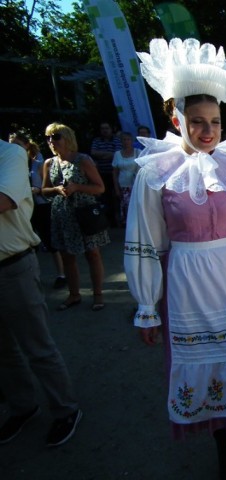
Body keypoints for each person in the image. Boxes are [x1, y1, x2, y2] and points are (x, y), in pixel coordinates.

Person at [125, 38, 226, 480]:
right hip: (187, 287)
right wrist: (147, 307)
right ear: (177, 118)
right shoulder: (155, 172)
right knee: (204, 367)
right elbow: (145, 242)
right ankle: (221, 441)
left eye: (215, 121)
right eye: (197, 122)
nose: (208, 131)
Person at [0, 140, 82, 448]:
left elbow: (5, 200)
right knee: (3, 350)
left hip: (12, 265)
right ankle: (22, 406)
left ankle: (65, 409)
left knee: (37, 346)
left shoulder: (9, 154)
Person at [41, 123, 109, 312]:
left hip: (85, 214)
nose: (51, 141)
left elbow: (100, 188)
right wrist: (55, 190)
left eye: (55, 137)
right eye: (48, 138)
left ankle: (98, 295)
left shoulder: (82, 160)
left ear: (67, 138)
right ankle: (74, 294)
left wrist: (77, 187)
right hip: (62, 215)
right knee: (67, 256)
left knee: (92, 254)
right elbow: (44, 191)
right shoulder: (49, 163)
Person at [9, 132, 66, 288]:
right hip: (21, 209)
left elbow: (48, 187)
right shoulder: (10, 164)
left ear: (26, 145)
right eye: (11, 145)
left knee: (49, 240)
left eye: (18, 145)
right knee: (27, 243)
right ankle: (31, 277)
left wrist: (36, 190)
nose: (14, 148)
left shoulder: (38, 164)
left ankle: (61, 274)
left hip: (41, 205)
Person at [90, 121, 122, 228]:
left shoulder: (117, 140)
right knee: (106, 198)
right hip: (102, 174)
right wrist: (109, 155)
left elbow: (117, 154)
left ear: (111, 129)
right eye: (102, 128)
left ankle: (120, 220)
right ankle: (110, 221)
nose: (104, 130)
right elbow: (94, 153)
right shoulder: (97, 141)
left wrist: (102, 155)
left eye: (106, 128)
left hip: (116, 173)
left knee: (118, 197)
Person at [112, 132, 140, 227]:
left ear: (131, 141)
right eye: (124, 139)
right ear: (121, 141)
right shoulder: (117, 154)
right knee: (126, 207)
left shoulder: (138, 152)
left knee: (137, 207)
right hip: (123, 185)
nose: (126, 141)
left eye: (128, 139)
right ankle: (129, 228)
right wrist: (116, 189)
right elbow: (115, 172)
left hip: (137, 185)